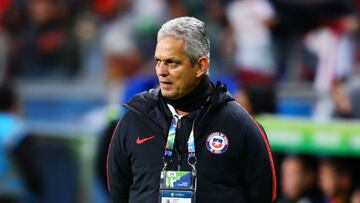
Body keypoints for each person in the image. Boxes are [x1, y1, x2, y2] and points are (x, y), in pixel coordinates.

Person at [107, 16, 276, 203]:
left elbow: (264, 195)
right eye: (158, 61)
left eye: (172, 62)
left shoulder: (239, 125)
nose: (161, 71)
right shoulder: (135, 120)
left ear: (200, 66)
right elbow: (118, 193)